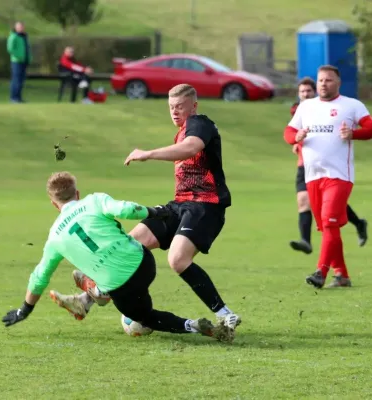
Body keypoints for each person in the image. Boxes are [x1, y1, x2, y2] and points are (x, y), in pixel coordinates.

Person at [55, 84, 241, 332]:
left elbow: (191, 148)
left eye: (180, 107)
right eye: (171, 107)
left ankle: (225, 314)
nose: (175, 112)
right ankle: (86, 301)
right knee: (128, 245)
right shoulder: (182, 131)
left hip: (205, 206)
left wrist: (148, 153)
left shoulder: (200, 124)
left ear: (193, 106)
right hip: (179, 205)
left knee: (177, 259)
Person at [1, 172, 235, 342]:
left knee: (147, 317)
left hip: (121, 288)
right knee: (123, 254)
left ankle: (192, 325)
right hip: (143, 263)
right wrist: (154, 212)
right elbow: (125, 209)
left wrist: (25, 310)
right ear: (77, 193)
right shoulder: (93, 200)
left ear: (54, 204)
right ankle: (91, 294)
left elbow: (40, 275)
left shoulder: (54, 237)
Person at [284, 65, 372, 288]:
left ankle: (321, 271)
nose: (323, 84)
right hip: (312, 176)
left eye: (328, 80)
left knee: (329, 222)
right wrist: (295, 137)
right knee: (328, 227)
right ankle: (342, 275)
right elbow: (288, 132)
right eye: (320, 81)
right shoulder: (306, 107)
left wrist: (354, 134)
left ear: (338, 83)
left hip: (338, 176)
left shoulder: (351, 105)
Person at [289, 77, 369, 254]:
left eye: (308, 91)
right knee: (303, 201)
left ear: (315, 92)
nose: (305, 94)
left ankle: (358, 223)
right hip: (305, 164)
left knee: (332, 204)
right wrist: (295, 140)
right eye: (302, 92)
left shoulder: (327, 109)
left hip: (329, 165)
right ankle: (305, 241)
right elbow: (292, 131)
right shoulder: (298, 110)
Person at [6, 21, 30, 103]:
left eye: (22, 27)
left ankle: (19, 97)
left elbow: (27, 48)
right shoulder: (13, 36)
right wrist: (19, 56)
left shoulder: (24, 37)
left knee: (21, 80)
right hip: (16, 61)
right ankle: (13, 98)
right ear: (16, 28)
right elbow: (10, 49)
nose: (21, 28)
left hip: (24, 60)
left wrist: (28, 58)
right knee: (16, 79)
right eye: (19, 27)